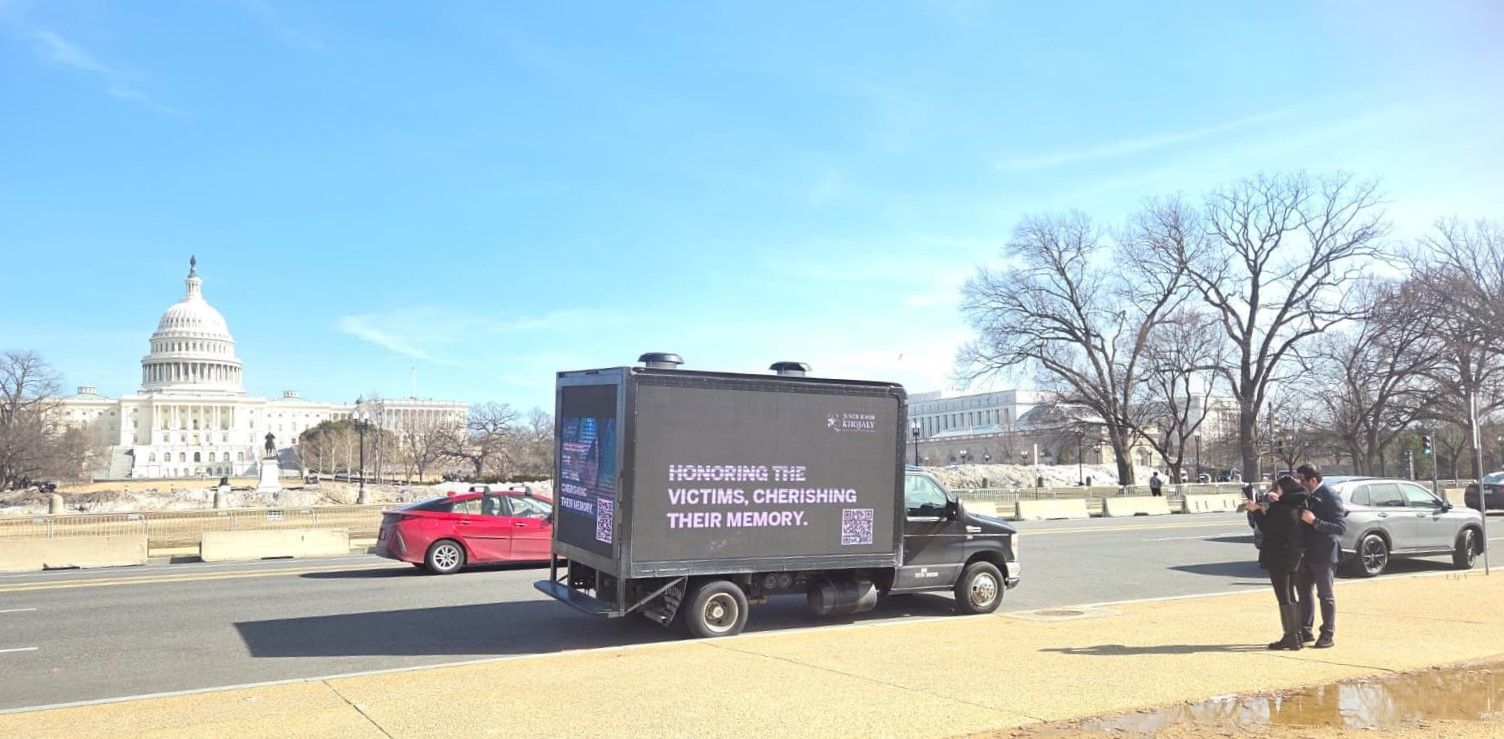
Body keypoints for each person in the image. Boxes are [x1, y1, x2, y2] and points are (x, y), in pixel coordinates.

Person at [1245, 475, 1310, 650]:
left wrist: (1256, 511)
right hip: (1293, 552)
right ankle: (1296, 635)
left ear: (1285, 490)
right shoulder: (1297, 503)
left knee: (1283, 596)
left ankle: (1291, 635)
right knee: (1290, 594)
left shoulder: (1284, 508)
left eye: (1278, 489)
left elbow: (1267, 528)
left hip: (1279, 553)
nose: (1276, 492)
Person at [1293, 463, 1346, 648]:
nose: (1299, 482)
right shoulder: (1305, 496)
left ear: (1313, 480)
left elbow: (1340, 528)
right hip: (1305, 553)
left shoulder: (1330, 496)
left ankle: (1327, 634)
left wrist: (1315, 521)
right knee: (1304, 594)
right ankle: (1305, 631)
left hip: (1324, 554)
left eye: (1301, 479)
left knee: (1325, 595)